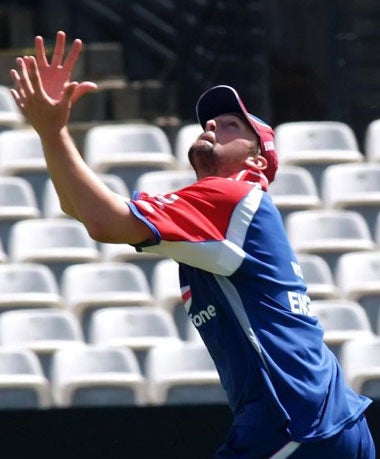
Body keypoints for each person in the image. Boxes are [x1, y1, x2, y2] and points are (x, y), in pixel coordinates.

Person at [10, 31, 376, 459]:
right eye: (210, 121)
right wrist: (50, 133)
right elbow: (77, 206)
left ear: (258, 160)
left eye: (230, 125)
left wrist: (53, 132)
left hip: (295, 424)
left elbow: (101, 220)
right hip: (317, 420)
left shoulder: (233, 197)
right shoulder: (214, 210)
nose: (212, 125)